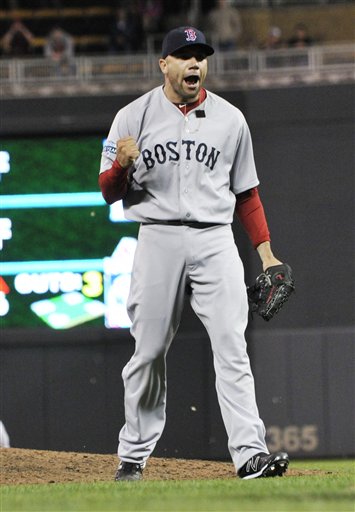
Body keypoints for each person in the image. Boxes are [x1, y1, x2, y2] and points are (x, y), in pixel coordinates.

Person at [99, 26, 290, 481]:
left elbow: (247, 195)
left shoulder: (231, 119)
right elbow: (108, 192)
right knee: (147, 352)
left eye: (200, 56)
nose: (194, 64)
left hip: (215, 237)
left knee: (232, 347)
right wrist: (121, 166)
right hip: (158, 235)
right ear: (164, 64)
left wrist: (266, 255)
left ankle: (250, 455)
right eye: (184, 56)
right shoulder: (133, 115)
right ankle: (132, 457)